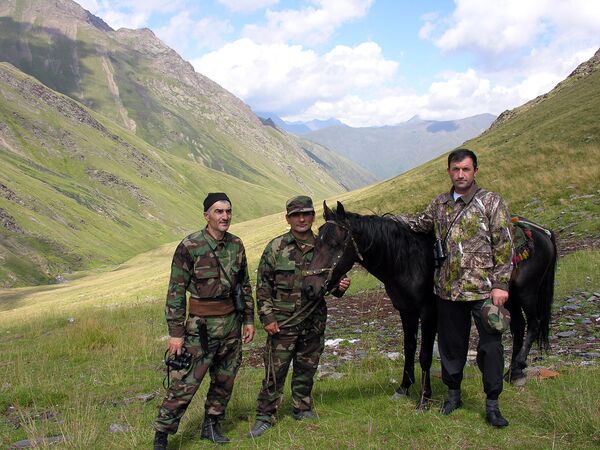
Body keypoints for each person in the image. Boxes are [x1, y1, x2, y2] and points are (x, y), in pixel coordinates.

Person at [406, 149, 513, 428]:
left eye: (466, 169)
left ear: (475, 171)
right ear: (449, 172)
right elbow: (418, 225)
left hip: (485, 291)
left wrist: (501, 285)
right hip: (448, 290)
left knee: (490, 347)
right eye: (456, 169)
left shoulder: (491, 202)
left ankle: (492, 404)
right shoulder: (439, 204)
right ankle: (453, 396)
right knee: (451, 347)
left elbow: (503, 245)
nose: (461, 174)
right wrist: (382, 221)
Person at [153, 192, 255, 449]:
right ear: (206, 215)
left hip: (231, 326)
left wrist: (248, 320)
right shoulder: (189, 246)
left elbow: (244, 285)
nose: (225, 216)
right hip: (201, 329)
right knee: (186, 383)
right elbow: (175, 291)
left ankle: (211, 426)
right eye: (219, 211)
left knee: (224, 381)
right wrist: (176, 333)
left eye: (228, 211)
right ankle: (162, 435)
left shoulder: (236, 245)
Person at [247, 196, 351, 438]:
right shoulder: (276, 248)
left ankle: (302, 408)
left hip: (313, 321)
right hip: (282, 323)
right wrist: (268, 318)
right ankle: (265, 415)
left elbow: (331, 284)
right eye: (295, 215)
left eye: (306, 214)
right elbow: (262, 287)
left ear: (313, 216)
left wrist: (340, 287)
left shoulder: (324, 245)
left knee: (307, 367)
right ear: (288, 219)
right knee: (275, 370)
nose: (301, 219)